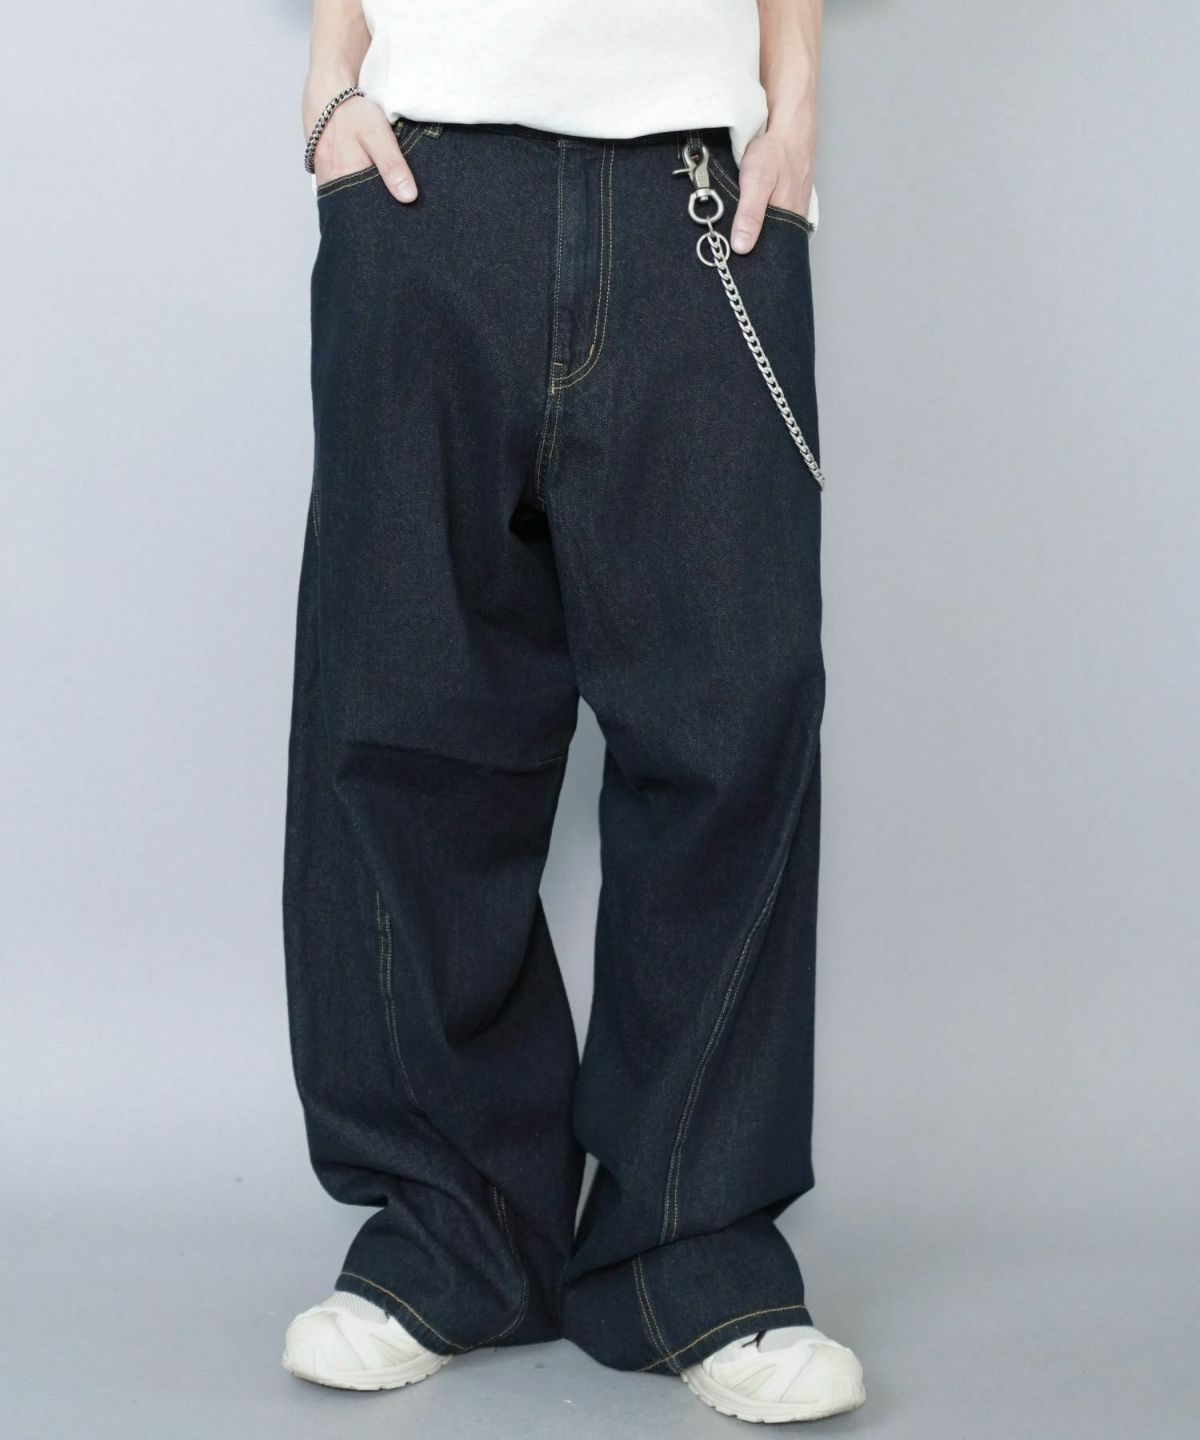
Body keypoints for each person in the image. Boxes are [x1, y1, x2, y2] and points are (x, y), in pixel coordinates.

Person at [280, 0, 865, 1423]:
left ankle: (693, 1254)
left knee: (730, 722)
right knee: (400, 718)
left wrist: (793, 110)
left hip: (699, 193)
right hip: (424, 178)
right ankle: (451, 1237)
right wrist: (331, 86)